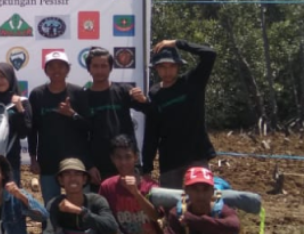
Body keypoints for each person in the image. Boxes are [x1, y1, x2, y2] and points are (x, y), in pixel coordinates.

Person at [142, 39, 218, 188]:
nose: (167, 71)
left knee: (202, 199)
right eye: (162, 67)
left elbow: (210, 54)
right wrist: (147, 166)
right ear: (156, 68)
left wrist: (178, 43)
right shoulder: (155, 93)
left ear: (178, 66)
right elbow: (152, 131)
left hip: (196, 154)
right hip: (170, 159)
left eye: (171, 66)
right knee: (170, 204)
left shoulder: (193, 82)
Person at [98, 135, 165, 234]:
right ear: (112, 159)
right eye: (118, 157)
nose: (123, 162)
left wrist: (136, 193)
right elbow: (103, 218)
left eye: (128, 157)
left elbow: (156, 216)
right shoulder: (107, 187)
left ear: (135, 157)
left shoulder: (151, 186)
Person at [27, 51, 88, 203]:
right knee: (51, 204)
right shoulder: (37, 94)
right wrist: (33, 158)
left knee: (80, 205)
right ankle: (52, 228)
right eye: (52, 67)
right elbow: (32, 129)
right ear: (46, 70)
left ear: (68, 70)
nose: (56, 70)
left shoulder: (78, 93)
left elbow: (88, 126)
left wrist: (72, 114)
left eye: (61, 66)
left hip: (76, 160)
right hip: (48, 160)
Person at [83, 47, 149, 187]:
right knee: (102, 207)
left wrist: (144, 101)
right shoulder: (83, 98)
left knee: (131, 205)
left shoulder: (124, 91)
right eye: (95, 66)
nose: (99, 70)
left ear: (111, 68)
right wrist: (89, 166)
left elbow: (150, 111)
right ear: (89, 69)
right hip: (98, 166)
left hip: (126, 162)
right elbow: (80, 135)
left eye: (104, 66)